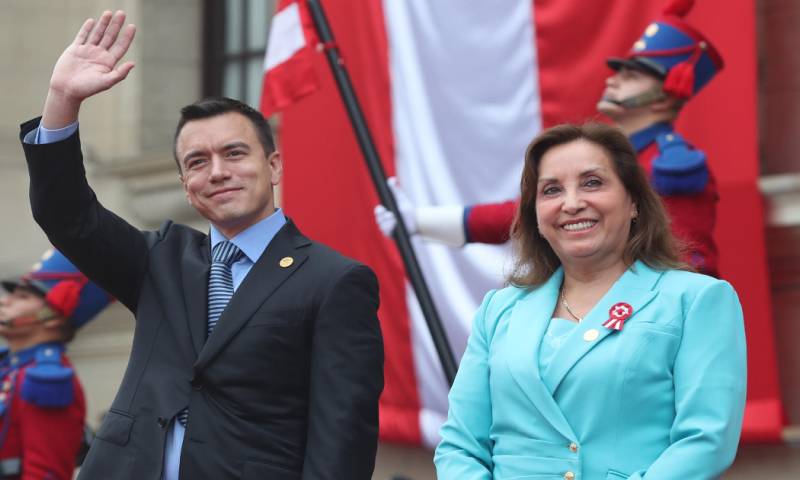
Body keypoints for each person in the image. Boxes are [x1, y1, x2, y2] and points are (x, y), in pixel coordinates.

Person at [20, 10, 383, 480]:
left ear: (273, 166)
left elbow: (342, 436)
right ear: (185, 183)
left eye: (234, 153)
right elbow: (67, 216)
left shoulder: (333, 281)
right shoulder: (160, 261)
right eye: (197, 161)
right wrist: (62, 100)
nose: (217, 172)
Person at [433, 123, 746, 479]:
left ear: (633, 202)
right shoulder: (498, 309)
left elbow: (706, 441)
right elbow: (460, 447)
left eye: (592, 183)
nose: (572, 203)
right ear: (535, 216)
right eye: (551, 190)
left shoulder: (697, 300)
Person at [375, 0, 723, 276]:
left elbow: (688, 264)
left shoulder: (672, 166)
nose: (613, 80)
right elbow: (524, 214)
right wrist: (421, 221)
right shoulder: (611, 154)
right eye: (618, 72)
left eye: (631, 76)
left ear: (665, 95)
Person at [0, 248, 112, 479]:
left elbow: (46, 472)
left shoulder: (45, 381)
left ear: (52, 319)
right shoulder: (10, 368)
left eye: (22, 297)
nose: (5, 302)